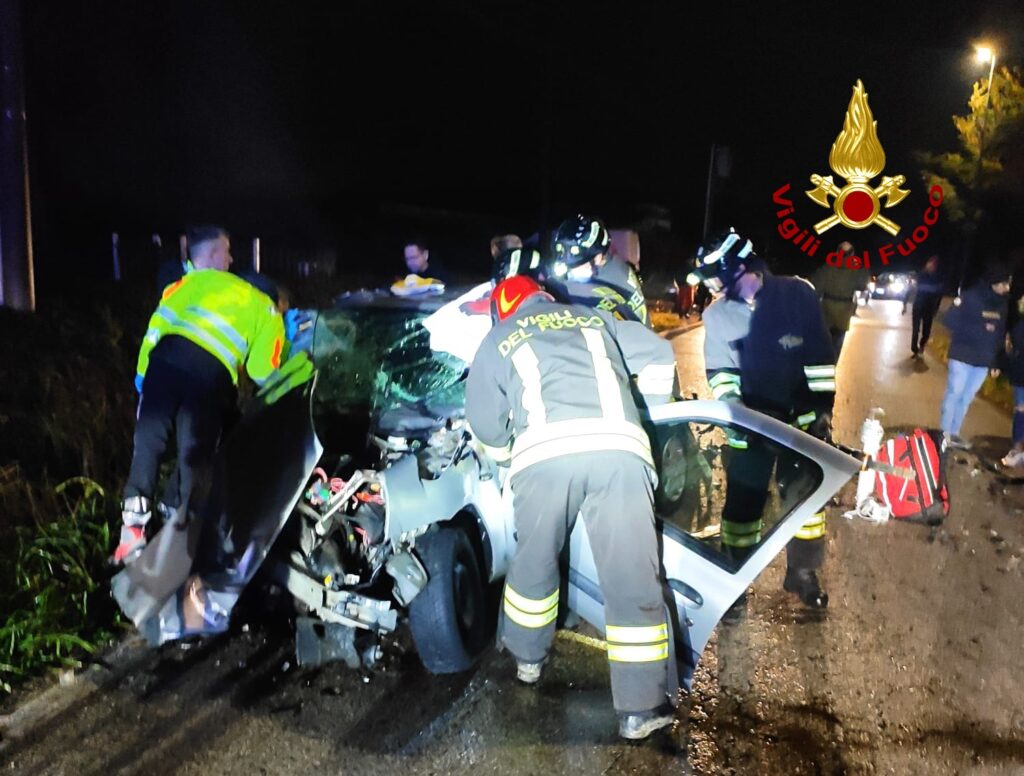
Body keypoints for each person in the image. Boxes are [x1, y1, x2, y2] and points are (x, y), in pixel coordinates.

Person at [465, 274, 679, 740]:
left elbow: (483, 424)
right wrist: (648, 415)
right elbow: (660, 355)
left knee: (535, 562)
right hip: (619, 454)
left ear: (503, 312)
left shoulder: (498, 339)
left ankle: (526, 660)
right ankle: (641, 708)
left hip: (544, 460)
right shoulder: (594, 318)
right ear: (545, 298)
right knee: (631, 574)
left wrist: (509, 457)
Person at [113, 225, 287, 564]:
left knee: (148, 446)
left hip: (163, 364)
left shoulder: (191, 281)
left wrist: (143, 380)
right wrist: (288, 388)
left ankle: (131, 535)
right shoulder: (266, 308)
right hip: (209, 379)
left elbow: (156, 327)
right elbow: (262, 371)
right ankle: (182, 542)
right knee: (194, 458)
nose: (231, 259)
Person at [689, 228, 836, 609]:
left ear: (738, 268)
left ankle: (802, 573)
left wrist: (822, 410)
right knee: (743, 507)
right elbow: (720, 374)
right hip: (750, 429)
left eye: (714, 277)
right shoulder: (717, 315)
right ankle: (733, 580)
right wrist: (740, 412)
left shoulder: (798, 294)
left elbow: (821, 359)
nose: (712, 287)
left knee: (806, 500)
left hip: (800, 425)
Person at [939, 264, 1011, 450]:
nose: (1007, 287)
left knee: (966, 399)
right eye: (1005, 283)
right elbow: (949, 320)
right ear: (995, 282)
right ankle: (943, 435)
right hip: (962, 356)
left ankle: (954, 434)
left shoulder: (1002, 303)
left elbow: (999, 334)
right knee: (954, 394)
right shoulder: (970, 297)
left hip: (982, 361)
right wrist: (981, 328)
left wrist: (996, 362)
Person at [545, 214, 650, 326]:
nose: (571, 270)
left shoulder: (606, 285)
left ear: (598, 256)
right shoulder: (613, 266)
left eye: (579, 264)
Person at [810, 240, 868, 358]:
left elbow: (816, 286)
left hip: (827, 309)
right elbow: (862, 285)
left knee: (824, 342)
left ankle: (824, 363)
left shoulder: (827, 268)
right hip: (844, 312)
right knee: (837, 343)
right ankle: (833, 363)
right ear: (852, 254)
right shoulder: (856, 270)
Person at [909, 255, 944, 357]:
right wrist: (905, 304)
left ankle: (922, 345)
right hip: (918, 306)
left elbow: (939, 295)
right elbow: (911, 290)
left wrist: (935, 309)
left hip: (929, 308)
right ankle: (914, 348)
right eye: (929, 264)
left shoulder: (938, 278)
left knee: (926, 331)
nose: (930, 266)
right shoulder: (921, 276)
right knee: (915, 329)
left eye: (933, 265)